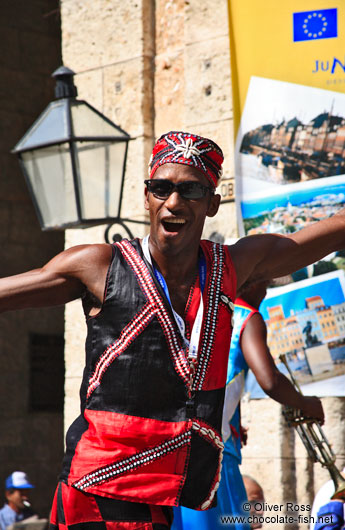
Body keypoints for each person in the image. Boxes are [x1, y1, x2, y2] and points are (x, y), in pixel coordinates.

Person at [0, 130, 341, 529]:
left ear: (213, 204)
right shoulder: (99, 265)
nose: (173, 202)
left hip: (172, 490)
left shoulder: (229, 269)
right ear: (147, 198)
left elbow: (324, 233)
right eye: (161, 188)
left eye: (191, 190)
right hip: (97, 489)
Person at [172, 280, 322, 530]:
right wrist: (306, 403)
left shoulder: (197, 311)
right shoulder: (246, 317)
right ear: (251, 284)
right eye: (264, 284)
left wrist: (233, 421)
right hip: (213, 453)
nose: (265, 293)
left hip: (175, 451)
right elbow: (270, 380)